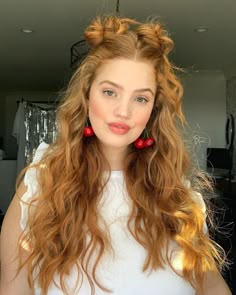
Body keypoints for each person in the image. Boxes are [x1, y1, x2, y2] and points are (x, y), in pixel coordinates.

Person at [0, 16, 232, 295]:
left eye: (141, 98)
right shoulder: (41, 184)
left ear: (153, 110)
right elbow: (13, 289)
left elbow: (211, 284)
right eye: (110, 92)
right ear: (87, 97)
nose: (124, 111)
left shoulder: (177, 193)